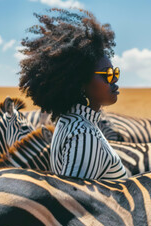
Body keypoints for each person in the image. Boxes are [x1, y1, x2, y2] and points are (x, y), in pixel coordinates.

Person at [19, 8, 127, 180]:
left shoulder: (70, 121)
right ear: (81, 82)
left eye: (115, 73)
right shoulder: (84, 133)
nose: (114, 80)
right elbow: (76, 202)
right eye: (107, 74)